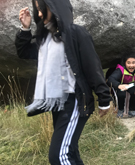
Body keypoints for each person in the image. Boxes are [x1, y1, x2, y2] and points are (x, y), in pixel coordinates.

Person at [15, 0, 111, 164]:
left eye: (42, 9)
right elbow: (24, 52)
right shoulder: (45, 38)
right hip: (57, 102)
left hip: (74, 100)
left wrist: (104, 99)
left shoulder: (76, 33)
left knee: (59, 156)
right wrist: (25, 28)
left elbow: (92, 65)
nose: (39, 14)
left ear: (54, 7)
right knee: (70, 150)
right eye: (38, 10)